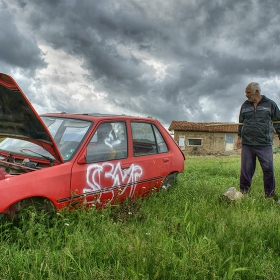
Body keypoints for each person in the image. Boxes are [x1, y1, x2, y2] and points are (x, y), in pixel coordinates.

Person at [235, 82, 280, 199]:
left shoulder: (270, 104)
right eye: (246, 92)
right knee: (246, 170)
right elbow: (241, 122)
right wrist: (239, 137)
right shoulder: (245, 105)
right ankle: (244, 194)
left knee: (268, 169)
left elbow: (278, 123)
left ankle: (269, 195)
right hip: (247, 143)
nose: (246, 95)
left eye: (248, 92)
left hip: (264, 143)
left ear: (256, 92)